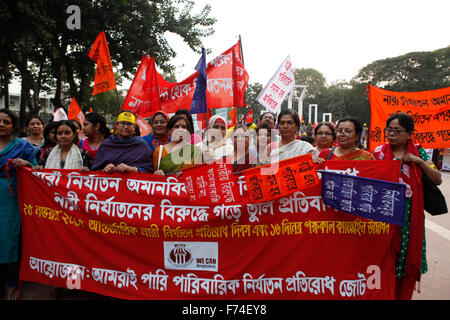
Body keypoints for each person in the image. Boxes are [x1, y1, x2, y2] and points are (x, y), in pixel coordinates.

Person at [373, 112, 441, 300]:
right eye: (389, 130)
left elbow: (437, 179)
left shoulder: (420, 152)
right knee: (383, 259)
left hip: (410, 218)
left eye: (397, 130)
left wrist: (418, 162)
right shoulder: (378, 152)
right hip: (383, 216)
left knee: (405, 261)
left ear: (409, 134)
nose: (391, 134)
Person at [0, 109, 38, 300]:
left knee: (10, 240)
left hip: (11, 199)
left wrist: (26, 163)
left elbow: (36, 169)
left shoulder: (22, 146)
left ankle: (12, 286)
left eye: (6, 122)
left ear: (13, 126)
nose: (1, 124)